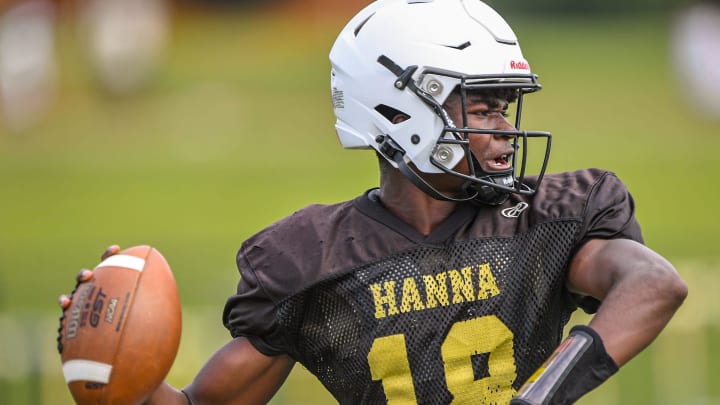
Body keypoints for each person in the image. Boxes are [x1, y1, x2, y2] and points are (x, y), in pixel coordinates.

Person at [58, 0, 688, 403]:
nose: (504, 127)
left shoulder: (542, 218)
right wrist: (115, 365)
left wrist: (539, 398)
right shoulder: (313, 259)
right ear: (397, 108)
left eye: (507, 104)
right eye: (482, 105)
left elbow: (653, 284)